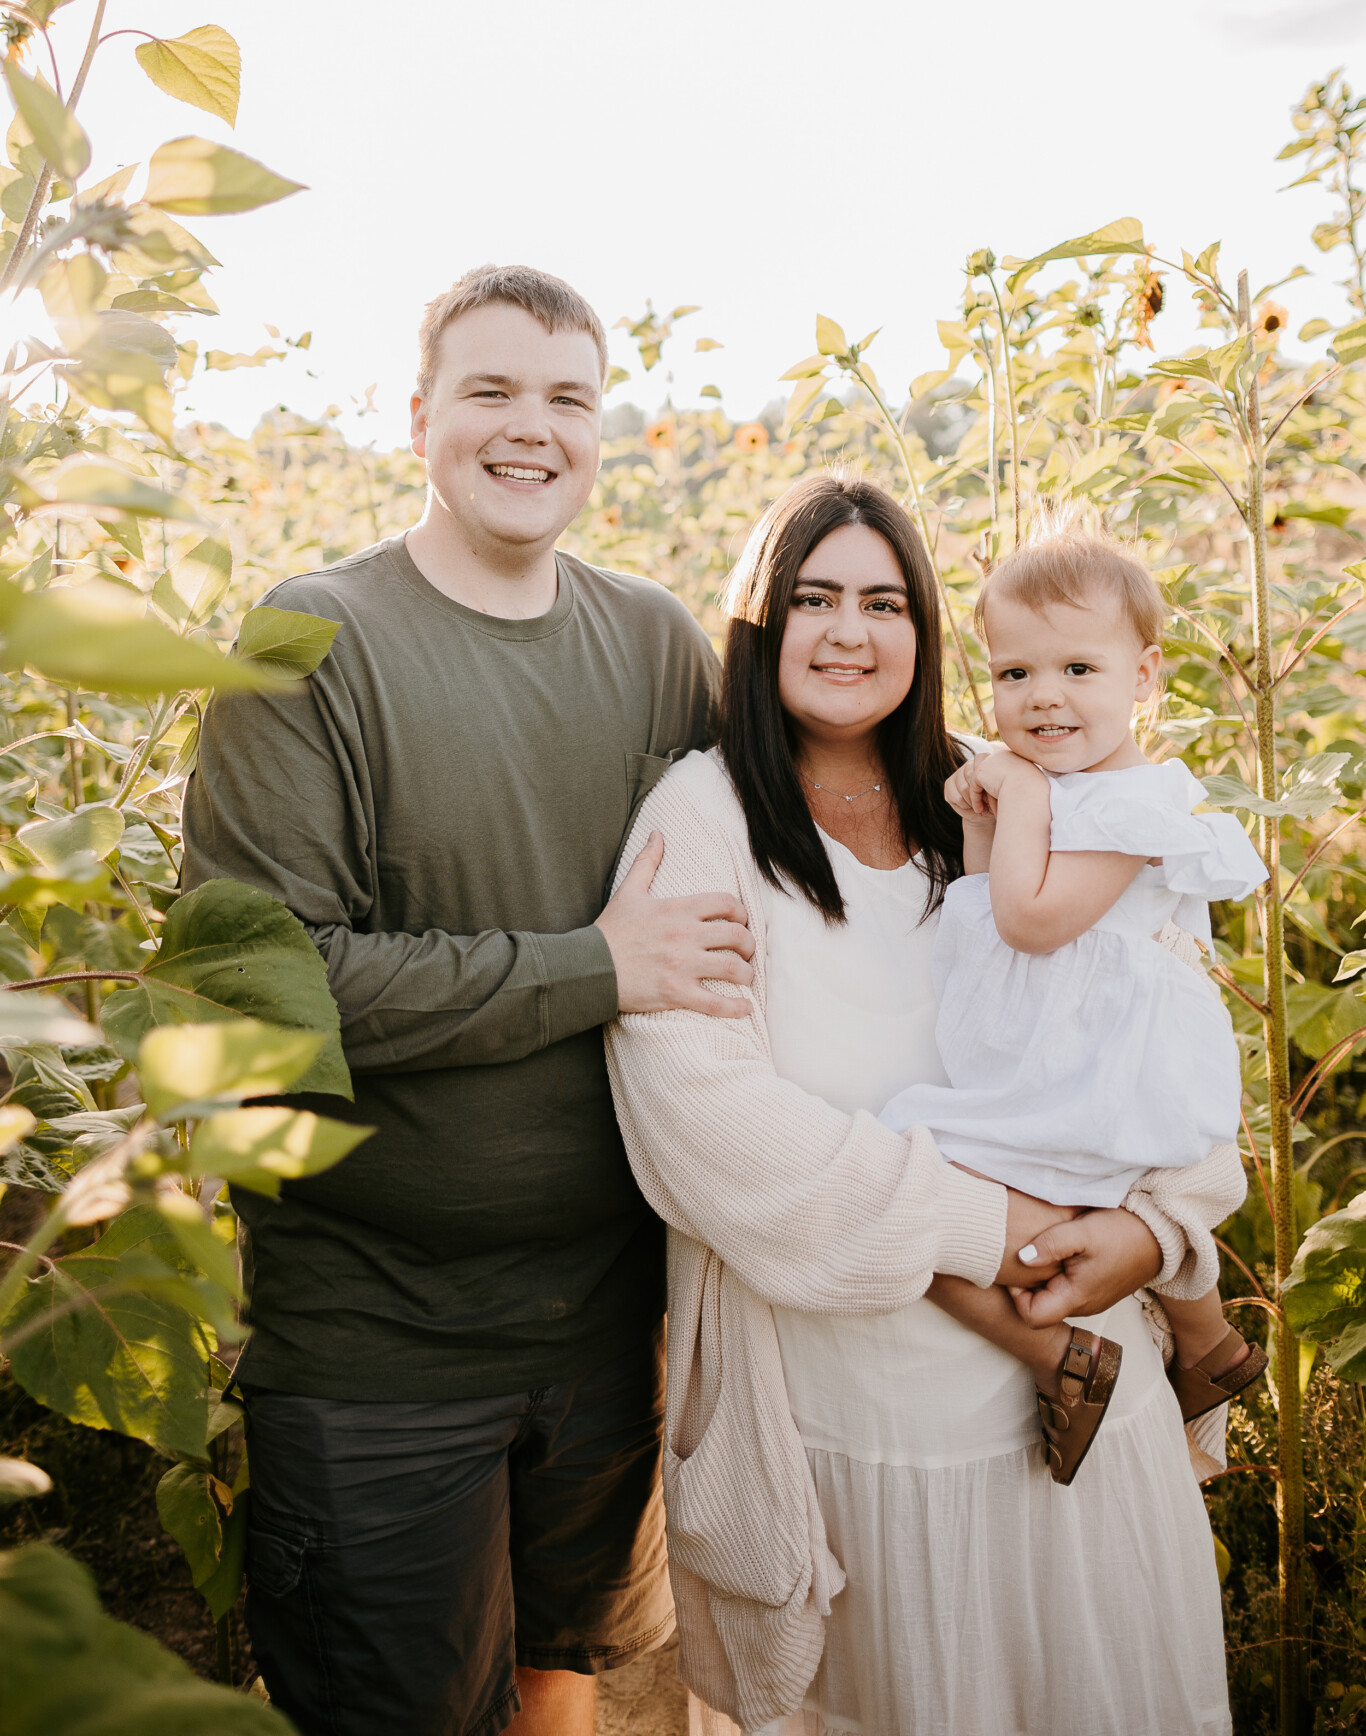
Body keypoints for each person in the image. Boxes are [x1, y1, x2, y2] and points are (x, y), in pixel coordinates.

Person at [180, 263, 758, 1736]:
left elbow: (773, 868)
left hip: (605, 1329)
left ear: (602, 429)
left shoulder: (650, 645)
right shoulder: (311, 644)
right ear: (418, 413)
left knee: (565, 1687)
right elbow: (271, 986)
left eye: (567, 398)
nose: (530, 429)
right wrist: (595, 964)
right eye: (491, 390)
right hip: (382, 1348)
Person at [605, 472, 1244, 1735]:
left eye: (885, 600)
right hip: (863, 1434)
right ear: (758, 621)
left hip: (1081, 1406)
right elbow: (704, 1124)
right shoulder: (706, 817)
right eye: (814, 597)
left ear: (927, 630)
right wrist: (987, 1227)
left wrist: (1159, 1231)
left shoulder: (994, 794)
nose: (850, 630)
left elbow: (1161, 1013)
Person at [878, 517, 1268, 1483]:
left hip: (1103, 1065)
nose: (1043, 697)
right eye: (1014, 675)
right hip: (1063, 1050)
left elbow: (1032, 920)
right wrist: (991, 813)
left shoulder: (1126, 804)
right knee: (1075, 1205)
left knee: (906, 1197)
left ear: (1143, 677)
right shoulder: (1066, 785)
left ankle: (1064, 1358)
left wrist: (1019, 791)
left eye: (1077, 671)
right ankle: (1208, 1345)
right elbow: (980, 903)